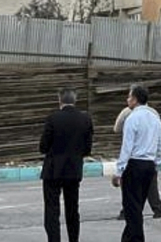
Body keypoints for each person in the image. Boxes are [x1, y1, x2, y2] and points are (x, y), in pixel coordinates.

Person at [112, 84, 161, 242]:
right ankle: (128, 238)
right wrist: (156, 165)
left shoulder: (132, 118)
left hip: (134, 164)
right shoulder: (155, 118)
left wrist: (119, 171)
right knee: (138, 205)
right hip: (149, 165)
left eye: (129, 96)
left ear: (135, 99)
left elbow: (127, 148)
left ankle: (136, 239)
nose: (127, 99)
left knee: (132, 207)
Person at [40, 88, 93, 242]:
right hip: (73, 169)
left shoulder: (52, 118)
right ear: (75, 100)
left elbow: (43, 146)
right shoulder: (85, 119)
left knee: (52, 210)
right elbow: (87, 148)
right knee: (72, 209)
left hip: (53, 170)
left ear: (60, 100)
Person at [114, 102, 161, 220]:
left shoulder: (127, 113)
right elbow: (160, 142)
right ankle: (158, 209)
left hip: (133, 157)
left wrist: (119, 169)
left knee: (129, 188)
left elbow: (116, 128)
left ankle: (126, 211)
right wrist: (158, 161)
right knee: (151, 185)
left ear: (135, 99)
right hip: (150, 157)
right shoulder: (154, 114)